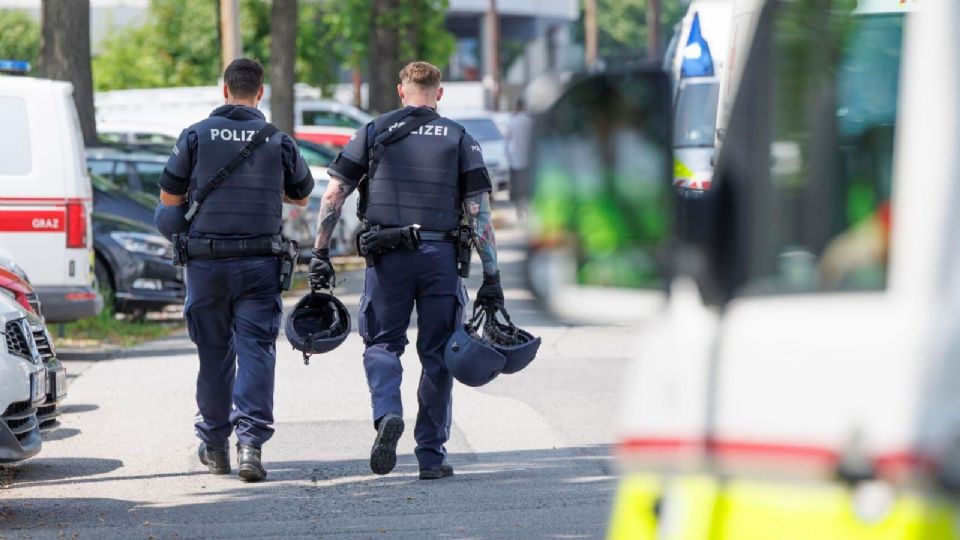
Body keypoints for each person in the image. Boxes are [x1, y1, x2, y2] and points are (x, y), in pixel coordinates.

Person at [308, 61, 504, 480]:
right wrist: (492, 276)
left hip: (387, 256)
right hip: (440, 258)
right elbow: (479, 214)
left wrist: (320, 253)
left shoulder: (373, 131)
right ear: (439, 93)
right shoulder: (460, 138)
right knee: (438, 356)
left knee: (381, 344)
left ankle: (387, 414)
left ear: (401, 91)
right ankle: (431, 456)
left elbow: (332, 195)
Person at [156, 58, 314, 482]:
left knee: (213, 355)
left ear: (224, 89)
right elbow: (301, 197)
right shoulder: (277, 139)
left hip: (207, 266)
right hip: (260, 265)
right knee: (257, 351)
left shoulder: (194, 135)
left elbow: (169, 203)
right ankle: (251, 447)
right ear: (259, 92)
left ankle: (214, 445)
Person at [506, 97, 533, 215]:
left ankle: (519, 210)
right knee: (528, 187)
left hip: (515, 160)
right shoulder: (530, 121)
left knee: (517, 188)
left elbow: (507, 140)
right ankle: (529, 209)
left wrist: (508, 156)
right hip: (528, 160)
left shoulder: (513, 121)